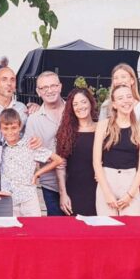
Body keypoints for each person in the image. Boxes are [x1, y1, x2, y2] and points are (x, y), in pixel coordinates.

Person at [93, 84, 140, 216]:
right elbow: (96, 162)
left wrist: (130, 194)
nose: (126, 101)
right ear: (114, 104)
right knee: (107, 226)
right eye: (120, 98)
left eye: (129, 96)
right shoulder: (103, 126)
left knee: (131, 227)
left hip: (130, 182)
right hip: (107, 181)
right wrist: (107, 193)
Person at [0, 109, 63, 216]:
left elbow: (58, 160)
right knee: (11, 226)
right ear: (0, 129)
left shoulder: (30, 145)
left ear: (20, 126)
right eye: (5, 128)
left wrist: (37, 173)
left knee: (34, 225)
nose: (10, 132)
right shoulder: (0, 147)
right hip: (8, 200)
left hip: (29, 199)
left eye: (14, 128)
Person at [24, 71, 65, 216]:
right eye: (44, 87)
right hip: (50, 184)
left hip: (77, 181)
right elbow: (30, 152)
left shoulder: (74, 110)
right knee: (55, 226)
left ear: (60, 86)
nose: (49, 90)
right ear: (38, 92)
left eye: (53, 85)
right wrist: (50, 158)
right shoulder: (33, 119)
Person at [55, 87, 98, 216]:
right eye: (75, 104)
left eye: (83, 102)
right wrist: (63, 194)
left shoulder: (102, 129)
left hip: (100, 189)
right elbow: (60, 166)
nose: (80, 107)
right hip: (75, 191)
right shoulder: (66, 132)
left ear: (91, 102)